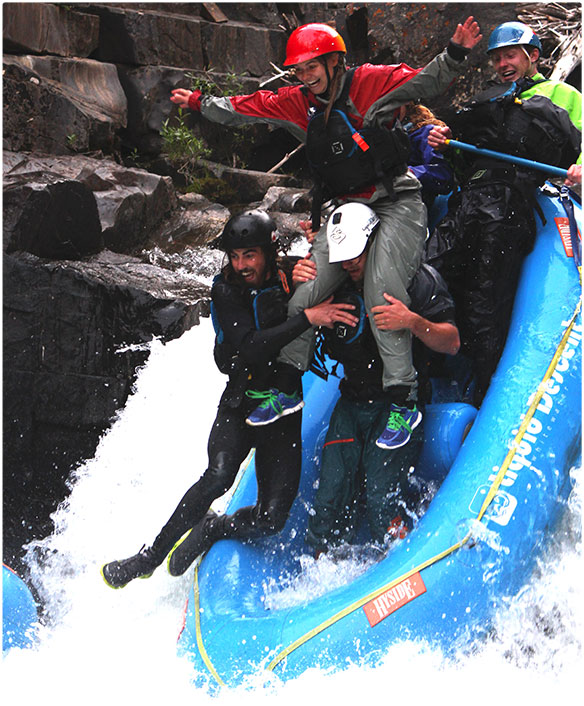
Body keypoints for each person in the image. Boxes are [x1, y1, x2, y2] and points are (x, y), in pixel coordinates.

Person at [170, 18, 481, 449]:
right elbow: (250, 107)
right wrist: (203, 103)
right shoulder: (299, 103)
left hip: (395, 201)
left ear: (335, 61)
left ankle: (403, 399)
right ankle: (287, 384)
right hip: (344, 207)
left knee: (382, 291)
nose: (305, 75)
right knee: (306, 291)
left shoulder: (372, 82)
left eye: (312, 65)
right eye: (298, 69)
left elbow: (427, 82)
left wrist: (456, 53)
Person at [101, 210, 357, 588]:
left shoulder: (290, 272)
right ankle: (149, 557)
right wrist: (308, 318)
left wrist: (314, 253)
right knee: (218, 475)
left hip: (283, 408)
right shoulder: (224, 290)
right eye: (235, 256)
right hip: (242, 400)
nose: (241, 265)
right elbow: (251, 348)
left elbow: (331, 270)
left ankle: (214, 527)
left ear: (269, 251)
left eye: (249, 255)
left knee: (272, 520)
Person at [425, 21, 582, 404]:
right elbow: (464, 160)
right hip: (472, 197)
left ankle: (484, 391)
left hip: (518, 201)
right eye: (496, 58)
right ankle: (425, 378)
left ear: (533, 56)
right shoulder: (488, 100)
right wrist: (445, 145)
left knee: (485, 298)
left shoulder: (561, 94)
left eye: (510, 55)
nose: (502, 64)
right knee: (431, 276)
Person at [292, 203, 459, 553]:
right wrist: (304, 287)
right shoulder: (333, 283)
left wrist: (412, 321)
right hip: (351, 403)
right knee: (326, 508)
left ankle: (405, 565)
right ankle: (324, 574)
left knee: (382, 505)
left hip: (399, 406)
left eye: (357, 254)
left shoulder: (415, 279)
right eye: (343, 256)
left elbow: (452, 342)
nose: (350, 263)